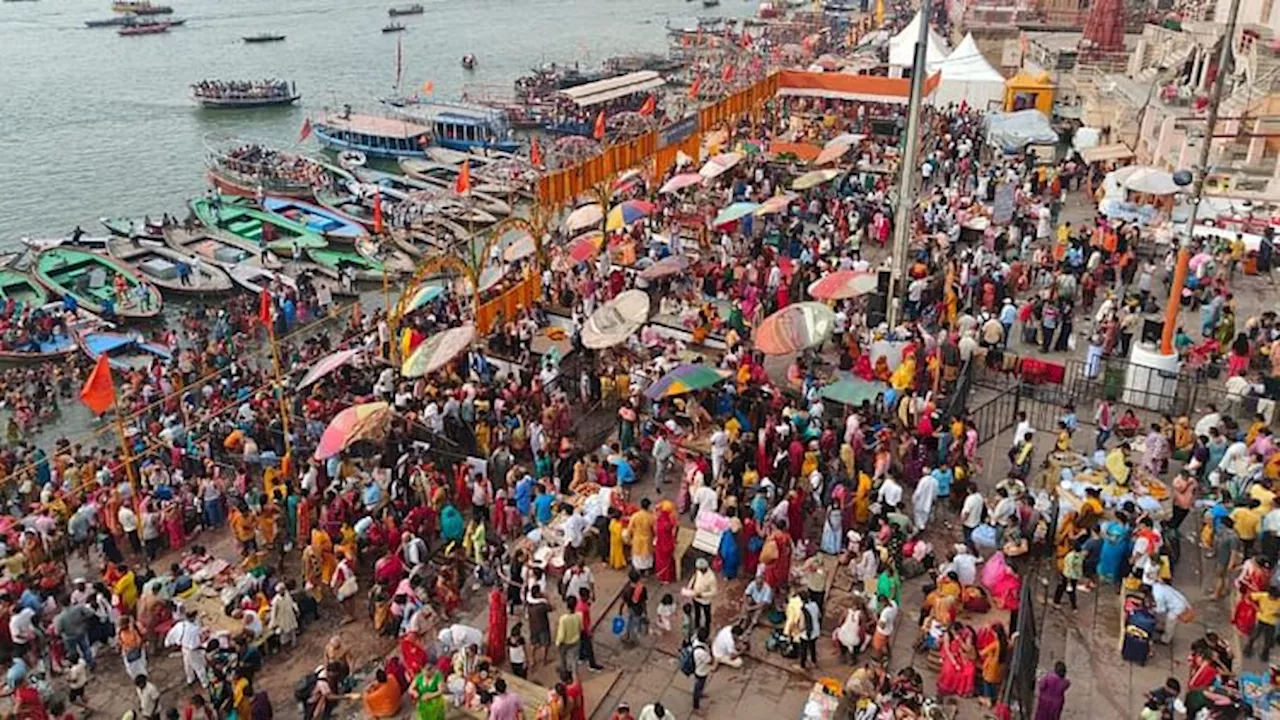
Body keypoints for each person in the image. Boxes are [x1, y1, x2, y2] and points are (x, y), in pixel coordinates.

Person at [688, 557, 717, 633]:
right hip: (695, 597)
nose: (699, 570)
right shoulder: (698, 571)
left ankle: (707, 628)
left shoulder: (711, 578)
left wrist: (702, 595)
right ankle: (696, 626)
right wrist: (689, 587)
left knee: (707, 615)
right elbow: (694, 578)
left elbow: (714, 592)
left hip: (705, 601)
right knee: (697, 613)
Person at [555, 603, 582, 677]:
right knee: (574, 659)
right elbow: (581, 628)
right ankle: (574, 675)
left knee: (562, 658)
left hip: (565, 642)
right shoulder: (579, 615)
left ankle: (564, 674)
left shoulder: (563, 619)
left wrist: (558, 643)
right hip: (576, 640)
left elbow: (561, 634)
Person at [691, 626, 713, 712]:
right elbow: (709, 660)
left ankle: (700, 693)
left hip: (699, 668)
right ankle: (696, 707)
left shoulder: (695, 641)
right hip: (701, 671)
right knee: (698, 687)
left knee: (700, 685)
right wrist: (710, 647)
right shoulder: (701, 652)